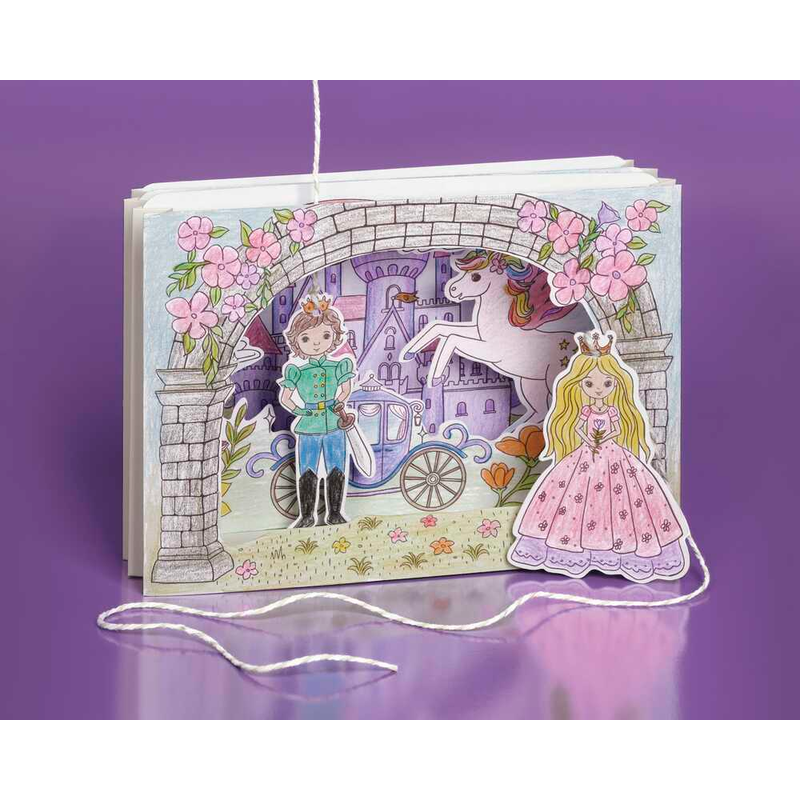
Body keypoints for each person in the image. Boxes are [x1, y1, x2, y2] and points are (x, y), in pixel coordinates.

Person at [508, 332, 688, 582]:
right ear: (580, 385)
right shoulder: (585, 409)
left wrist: (604, 437)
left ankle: (622, 545)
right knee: (574, 494)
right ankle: (572, 546)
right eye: (589, 384)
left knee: (623, 498)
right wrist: (587, 438)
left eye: (607, 383)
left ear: (616, 384)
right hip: (585, 452)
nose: (599, 389)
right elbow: (580, 427)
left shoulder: (613, 410)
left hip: (612, 452)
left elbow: (616, 428)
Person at [278, 296, 355, 527]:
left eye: (325, 336)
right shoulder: (297, 371)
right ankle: (307, 516)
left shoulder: (338, 365)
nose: (315, 343)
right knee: (307, 469)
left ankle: (335, 513)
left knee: (337, 467)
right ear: (297, 341)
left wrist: (339, 403)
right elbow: (285, 397)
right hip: (308, 425)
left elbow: (346, 389)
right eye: (306, 338)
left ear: (334, 337)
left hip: (334, 424)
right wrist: (301, 411)